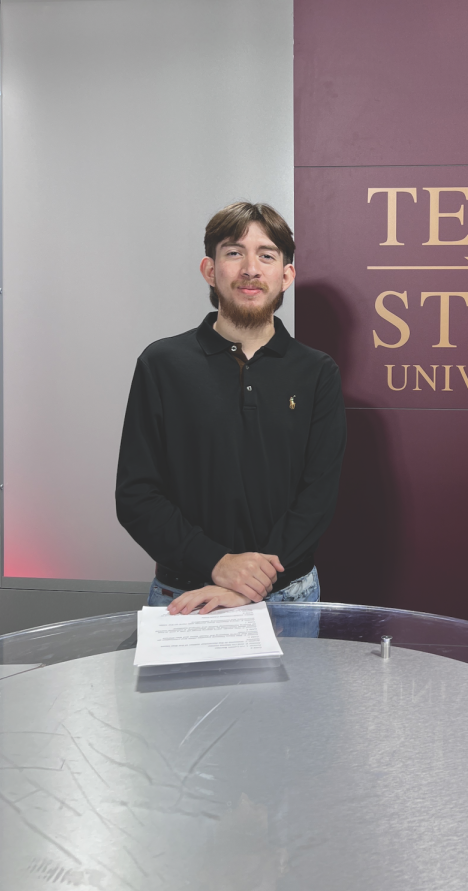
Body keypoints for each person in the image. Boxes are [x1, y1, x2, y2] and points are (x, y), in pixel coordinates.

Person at [116, 201, 346, 615]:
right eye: (234, 252)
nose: (251, 269)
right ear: (210, 269)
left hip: (288, 598)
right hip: (184, 597)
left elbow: (318, 497)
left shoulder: (317, 373)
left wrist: (253, 583)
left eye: (267, 255)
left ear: (286, 275)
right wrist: (217, 563)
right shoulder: (163, 364)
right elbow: (137, 495)